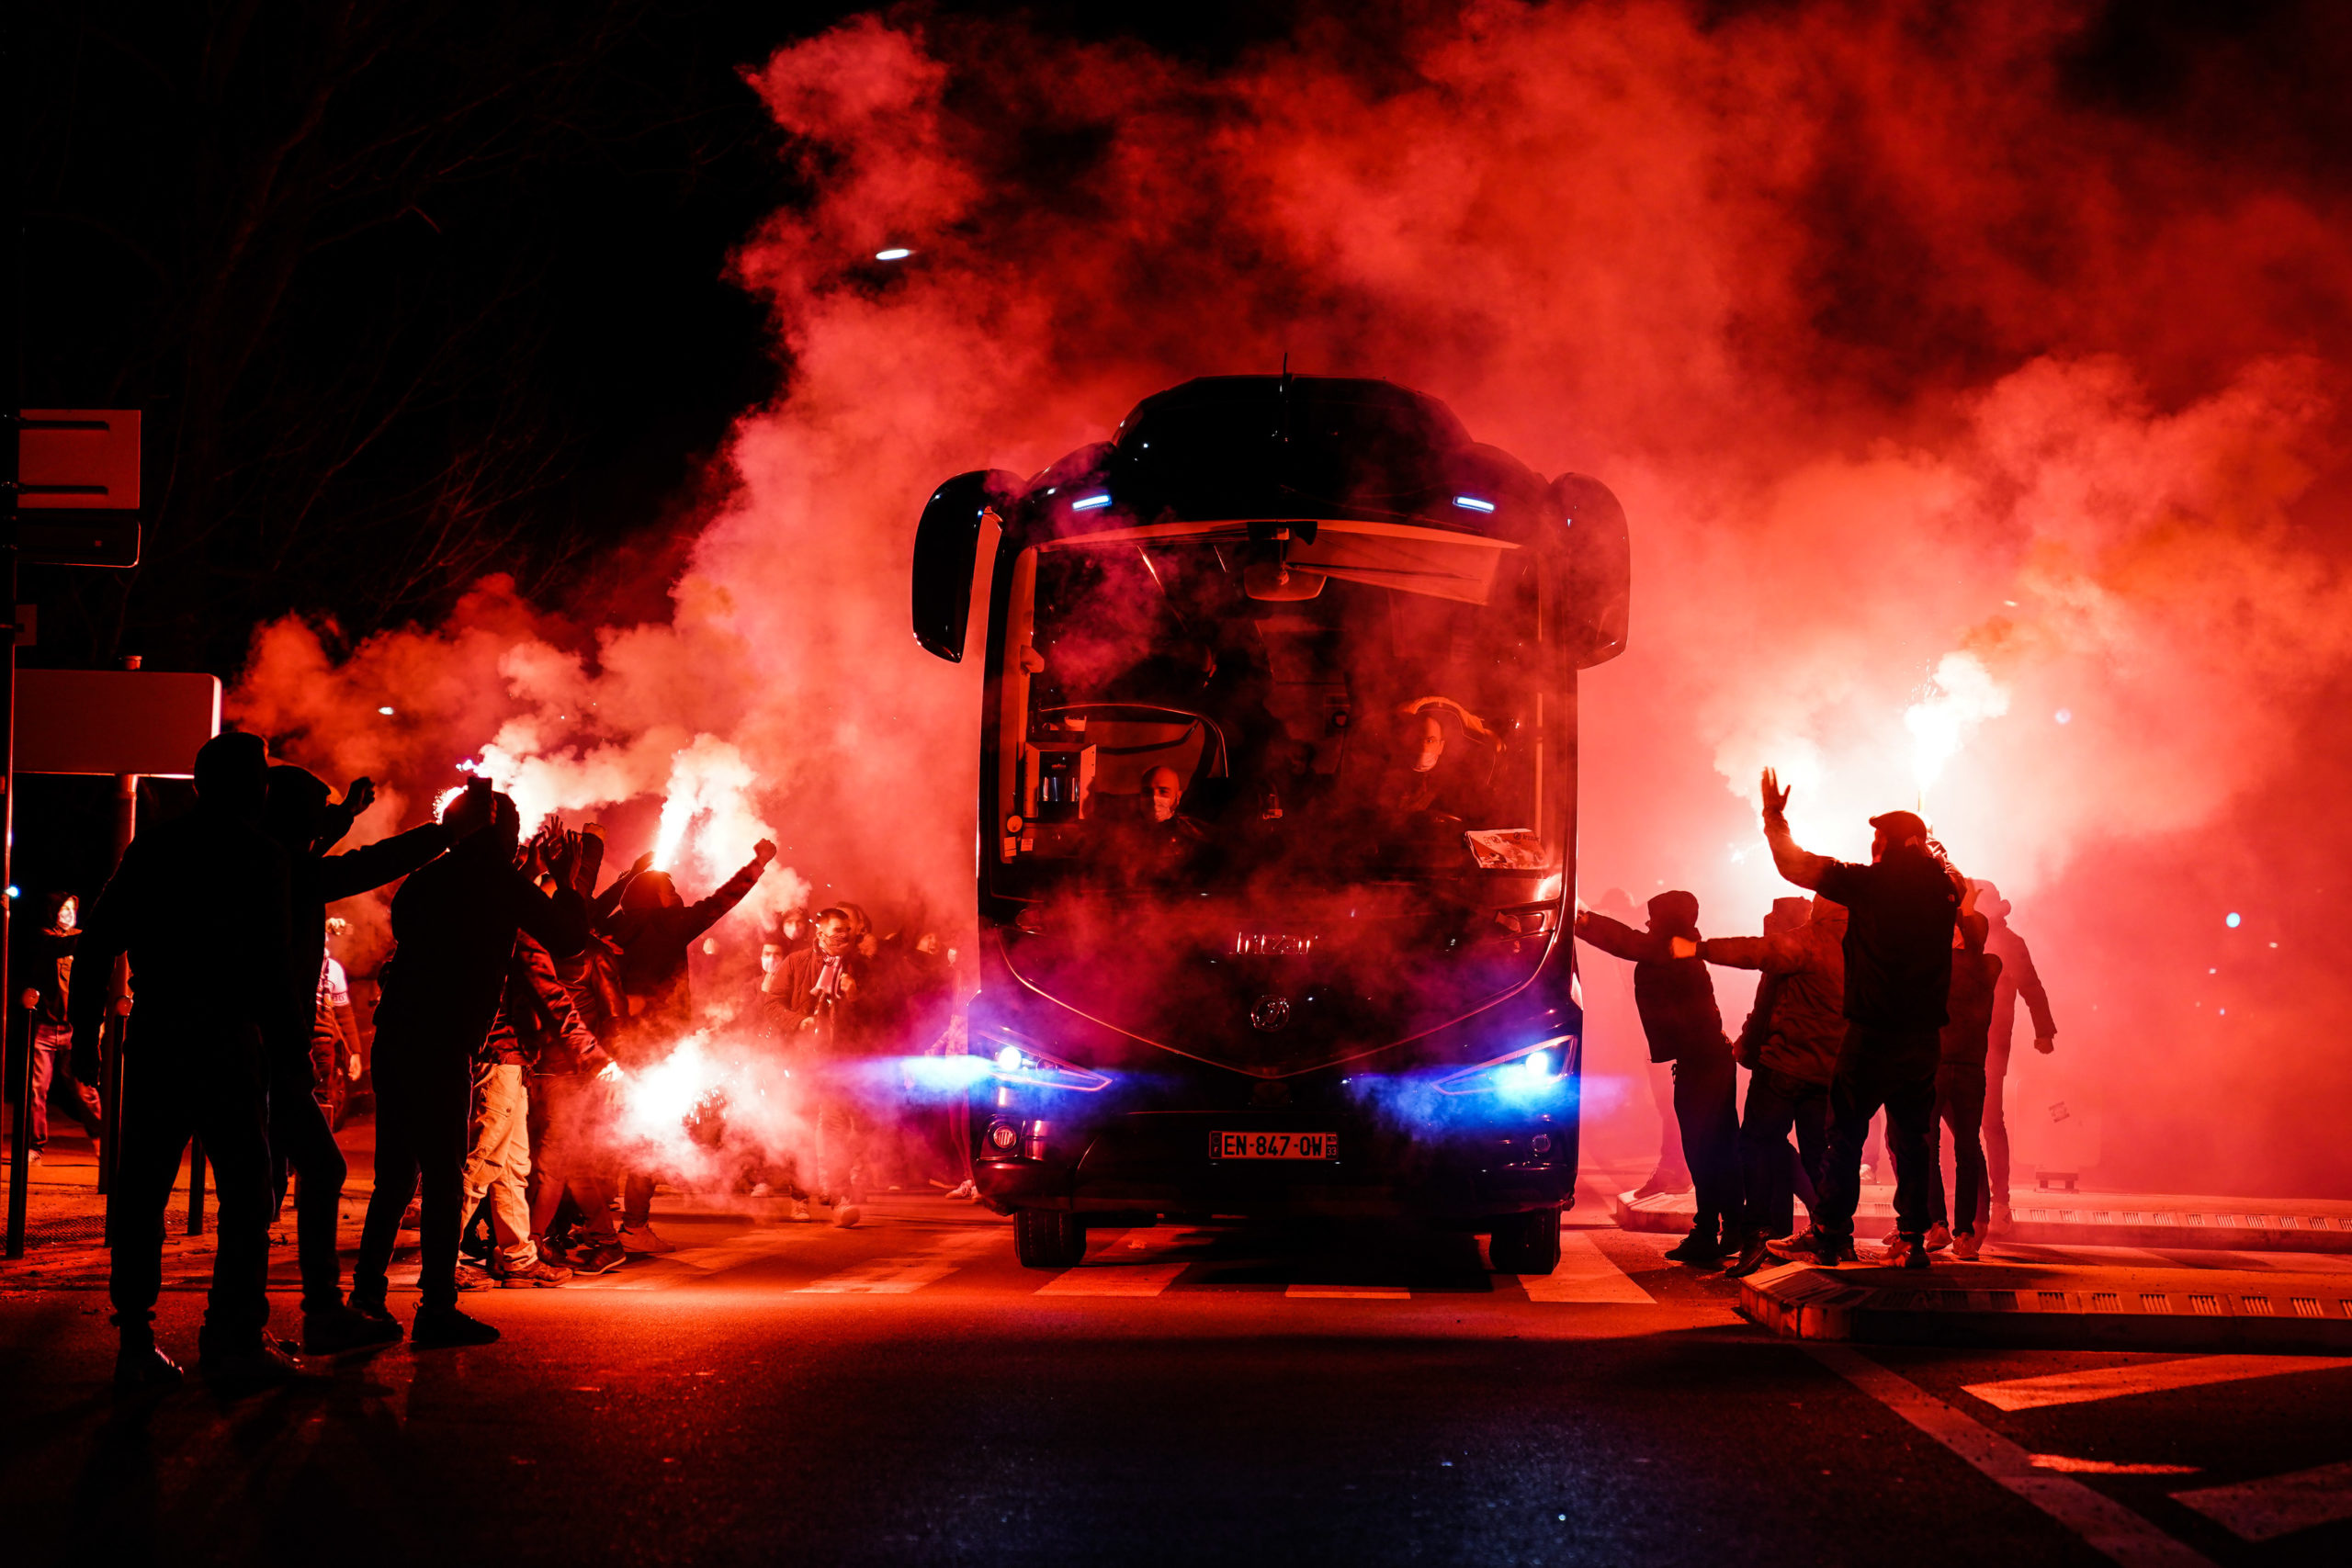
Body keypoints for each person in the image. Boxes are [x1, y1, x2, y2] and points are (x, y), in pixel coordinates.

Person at [70, 732, 297, 1392]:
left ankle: (136, 1339)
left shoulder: (157, 849)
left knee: (143, 1192)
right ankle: (232, 1337)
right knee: (247, 1193)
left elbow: (97, 943)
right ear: (249, 787)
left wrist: (87, 1035)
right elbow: (274, 972)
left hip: (160, 1035)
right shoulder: (263, 858)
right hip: (226, 1040)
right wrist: (288, 1057)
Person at [351, 784, 588, 1347]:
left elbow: (408, 929)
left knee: (395, 1177)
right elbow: (571, 938)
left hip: (398, 1034)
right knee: (443, 1178)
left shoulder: (427, 877)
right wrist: (568, 875)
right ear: (502, 833)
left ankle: (366, 1296)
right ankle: (435, 1309)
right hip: (443, 1044)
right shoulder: (502, 884)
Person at [262, 764, 454, 1352]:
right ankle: (295, 1319)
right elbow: (361, 865)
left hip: (258, 1045)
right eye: (316, 812)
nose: (324, 824)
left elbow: (321, 848)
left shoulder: (269, 856)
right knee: (303, 1174)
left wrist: (345, 812)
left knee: (272, 1180)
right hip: (267, 1048)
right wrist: (445, 833)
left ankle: (240, 1325)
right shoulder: (281, 867)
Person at [1756, 773, 1963, 1269]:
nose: (1873, 844)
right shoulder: (1944, 890)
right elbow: (1953, 871)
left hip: (1871, 1032)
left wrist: (1774, 817)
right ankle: (1913, 1239)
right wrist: (1929, 847)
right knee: (1914, 1140)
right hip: (1921, 1038)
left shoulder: (1867, 884)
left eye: (1879, 838)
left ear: (1890, 843)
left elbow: (1794, 865)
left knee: (1844, 1135)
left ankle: (1831, 1234)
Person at [604, 840, 777, 1251]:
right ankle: (634, 1225)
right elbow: (721, 901)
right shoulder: (670, 927)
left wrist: (623, 879)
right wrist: (758, 863)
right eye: (671, 889)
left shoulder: (610, 929)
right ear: (659, 897)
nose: (679, 895)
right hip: (657, 1050)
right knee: (652, 1135)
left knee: (604, 1138)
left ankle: (587, 1227)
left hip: (611, 1048)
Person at [1573, 891, 1739, 1264]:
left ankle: (1711, 1231)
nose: (1647, 925)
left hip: (1703, 1063)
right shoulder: (1681, 946)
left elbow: (1626, 941)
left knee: (1704, 1151)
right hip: (1708, 1060)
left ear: (1667, 922)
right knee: (1716, 1149)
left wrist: (1581, 918)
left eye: (1654, 919)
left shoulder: (1673, 948)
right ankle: (1730, 1227)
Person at [1697, 895, 1848, 1276]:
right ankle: (1834, 1237)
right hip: (1828, 1072)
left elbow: (1753, 960)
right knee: (1821, 1155)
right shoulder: (1863, 948)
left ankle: (1757, 1235)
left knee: (1757, 1146)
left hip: (1783, 1065)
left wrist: (1698, 948)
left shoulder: (1806, 943)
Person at [464, 931, 612, 1287]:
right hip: (499, 1054)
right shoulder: (513, 924)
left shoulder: (489, 915)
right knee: (482, 1162)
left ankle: (518, 1258)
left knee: (513, 1166)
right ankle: (442, 1261)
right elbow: (551, 995)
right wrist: (591, 1052)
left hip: (511, 1058)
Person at [764, 907, 871, 1225]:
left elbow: (883, 1010)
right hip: (802, 1058)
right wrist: (799, 1023)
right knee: (802, 1125)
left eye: (847, 930)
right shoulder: (797, 962)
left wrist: (855, 996)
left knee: (835, 1127)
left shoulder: (861, 965)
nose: (843, 935)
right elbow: (771, 1004)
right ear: (820, 933)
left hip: (840, 1060)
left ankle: (838, 1198)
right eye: (837, 930)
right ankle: (800, 1197)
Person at [1972, 880, 2056, 1234]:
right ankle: (1980, 1206)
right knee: (1975, 1125)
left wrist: (2044, 1030)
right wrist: (2044, 1032)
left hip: (1987, 1045)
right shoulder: (1964, 937)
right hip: (1969, 1044)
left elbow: (2031, 988)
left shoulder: (2005, 943)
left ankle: (1998, 1204)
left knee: (1985, 1123)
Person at [1929, 908, 2002, 1258]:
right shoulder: (1991, 966)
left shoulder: (1945, 963)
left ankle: (1937, 1224)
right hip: (1972, 1068)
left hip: (1938, 1062)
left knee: (1927, 1145)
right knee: (1967, 1149)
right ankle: (1964, 1233)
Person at [15, 892, 103, 1158]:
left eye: (72, 910)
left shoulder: (81, 938)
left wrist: (98, 1022)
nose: (68, 914)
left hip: (73, 1028)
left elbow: (98, 981)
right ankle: (35, 1146)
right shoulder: (44, 937)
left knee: (85, 1088)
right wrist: (98, 934)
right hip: (43, 1027)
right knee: (36, 1089)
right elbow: (58, 946)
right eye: (63, 909)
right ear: (53, 912)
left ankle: (103, 1138)